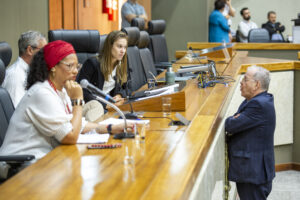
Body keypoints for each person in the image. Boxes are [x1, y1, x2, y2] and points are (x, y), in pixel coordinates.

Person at [0, 40, 133, 179]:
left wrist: (110, 128)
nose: (76, 71)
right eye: (70, 66)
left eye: (77, 66)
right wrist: (78, 101)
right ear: (53, 67)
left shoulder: (60, 90)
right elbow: (69, 136)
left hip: (46, 159)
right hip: (21, 166)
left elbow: (77, 124)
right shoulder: (42, 93)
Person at [225, 65, 276, 200]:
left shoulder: (258, 105)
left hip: (254, 173)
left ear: (257, 84)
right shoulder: (254, 101)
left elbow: (231, 124)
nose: (241, 82)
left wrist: (235, 119)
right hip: (252, 170)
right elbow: (236, 120)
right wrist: (236, 118)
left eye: (245, 79)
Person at [77, 31, 128, 109]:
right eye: (119, 46)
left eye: (125, 47)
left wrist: (119, 95)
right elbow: (83, 92)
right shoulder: (92, 64)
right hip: (94, 107)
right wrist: (105, 105)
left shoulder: (121, 64)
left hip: (111, 105)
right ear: (110, 46)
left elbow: (127, 87)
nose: (123, 51)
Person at [1, 31, 47, 107]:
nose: (46, 54)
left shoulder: (34, 71)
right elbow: (15, 112)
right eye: (43, 50)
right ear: (30, 50)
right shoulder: (15, 76)